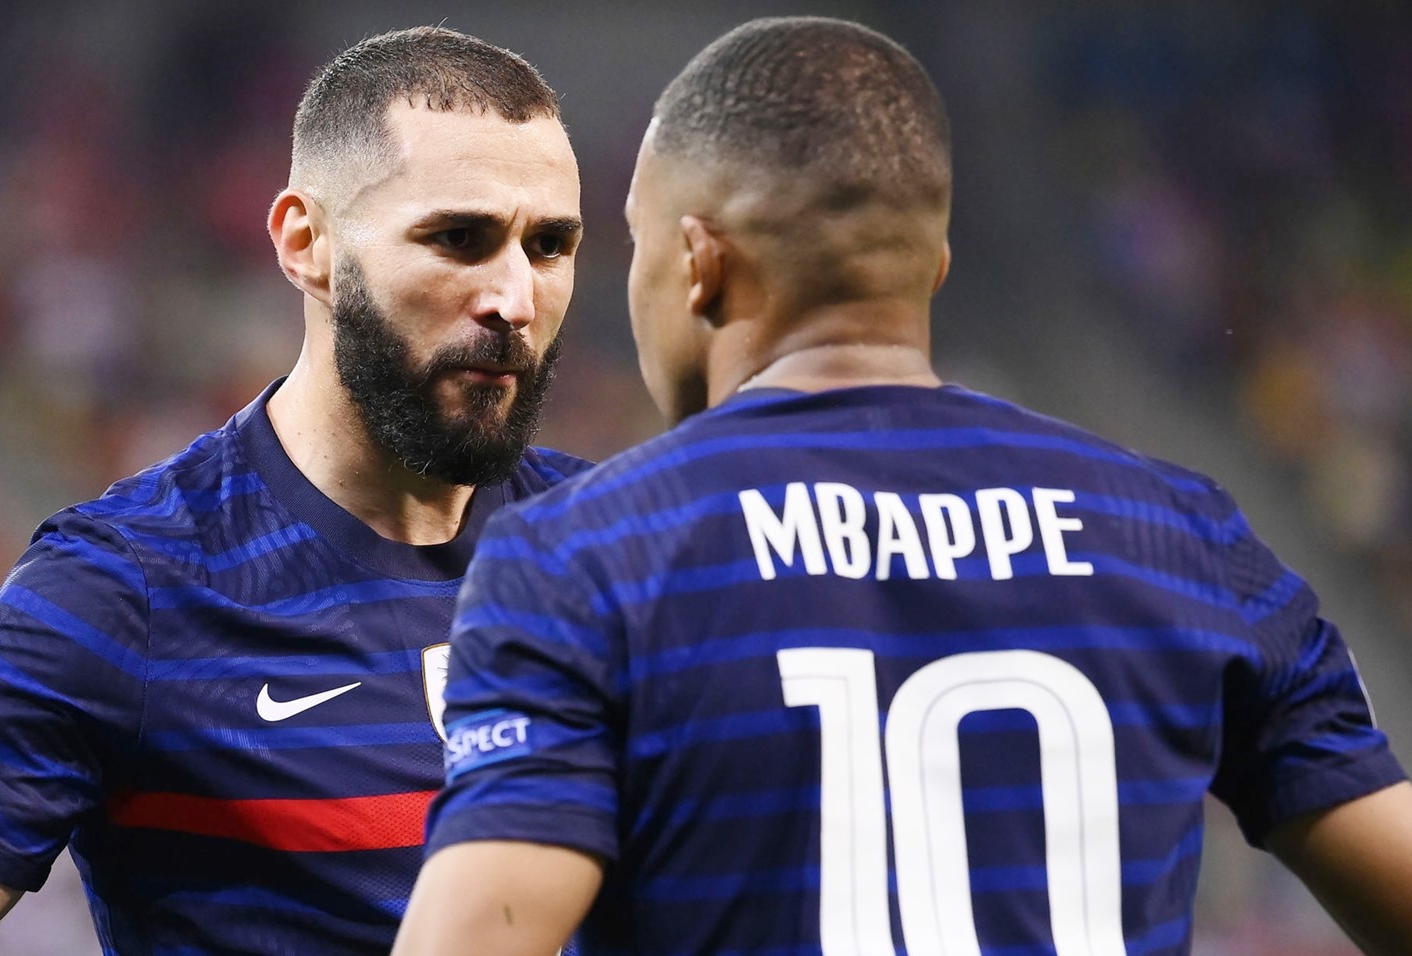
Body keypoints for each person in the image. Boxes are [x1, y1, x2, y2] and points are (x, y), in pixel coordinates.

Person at [392, 16, 1412, 956]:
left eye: (636, 244)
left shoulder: (577, 560)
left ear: (699, 263)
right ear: (933, 267)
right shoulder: (1183, 538)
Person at [0, 25, 588, 956]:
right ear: (308, 244)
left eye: (550, 245)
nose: (515, 298)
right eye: (459, 239)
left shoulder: (618, 549)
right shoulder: (127, 589)